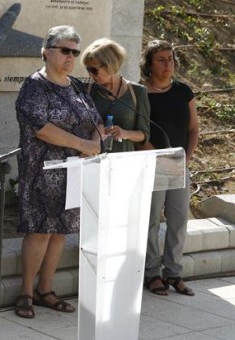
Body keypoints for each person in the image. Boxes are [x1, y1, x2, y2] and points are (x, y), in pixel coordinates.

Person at [14, 25, 102, 319]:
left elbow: (96, 120)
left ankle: (46, 289)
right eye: (65, 50)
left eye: (75, 52)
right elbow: (43, 129)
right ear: (46, 51)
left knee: (61, 233)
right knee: (40, 231)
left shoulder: (76, 86)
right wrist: (83, 144)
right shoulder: (34, 86)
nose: (70, 57)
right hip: (42, 173)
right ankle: (26, 291)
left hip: (74, 172)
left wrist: (96, 141)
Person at [140, 40, 199, 296]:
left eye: (171, 59)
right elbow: (138, 131)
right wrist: (155, 153)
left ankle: (173, 273)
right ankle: (152, 274)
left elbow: (193, 127)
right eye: (161, 59)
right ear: (149, 64)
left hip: (179, 163)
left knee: (178, 220)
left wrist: (188, 157)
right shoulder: (140, 92)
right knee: (151, 220)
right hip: (151, 162)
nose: (168, 64)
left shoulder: (184, 91)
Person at [81, 38, 151, 152]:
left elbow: (144, 134)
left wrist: (124, 133)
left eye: (94, 70)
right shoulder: (86, 89)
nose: (90, 75)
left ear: (110, 65)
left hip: (123, 162)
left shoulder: (137, 92)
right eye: (88, 69)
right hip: (92, 161)